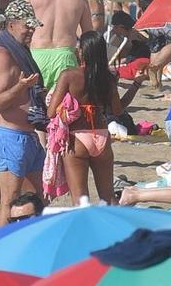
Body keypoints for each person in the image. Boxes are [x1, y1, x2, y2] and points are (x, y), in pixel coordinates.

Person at [0, 0, 47, 223]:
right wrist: (21, 87)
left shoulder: (20, 52)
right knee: (9, 202)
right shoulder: (2, 56)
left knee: (39, 200)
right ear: (11, 25)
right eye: (26, 25)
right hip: (10, 137)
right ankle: (0, 254)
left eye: (32, 25)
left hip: (27, 137)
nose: (31, 30)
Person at [46, 31, 124, 204]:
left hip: (77, 139)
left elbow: (51, 113)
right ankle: (117, 230)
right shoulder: (109, 78)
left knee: (81, 201)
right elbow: (117, 110)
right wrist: (136, 84)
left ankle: (86, 232)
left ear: (83, 51)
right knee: (109, 197)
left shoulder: (69, 75)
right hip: (102, 135)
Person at [25, 0, 91, 94]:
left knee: (34, 104)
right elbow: (88, 35)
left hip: (36, 55)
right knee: (62, 108)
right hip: (65, 55)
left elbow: (20, 30)